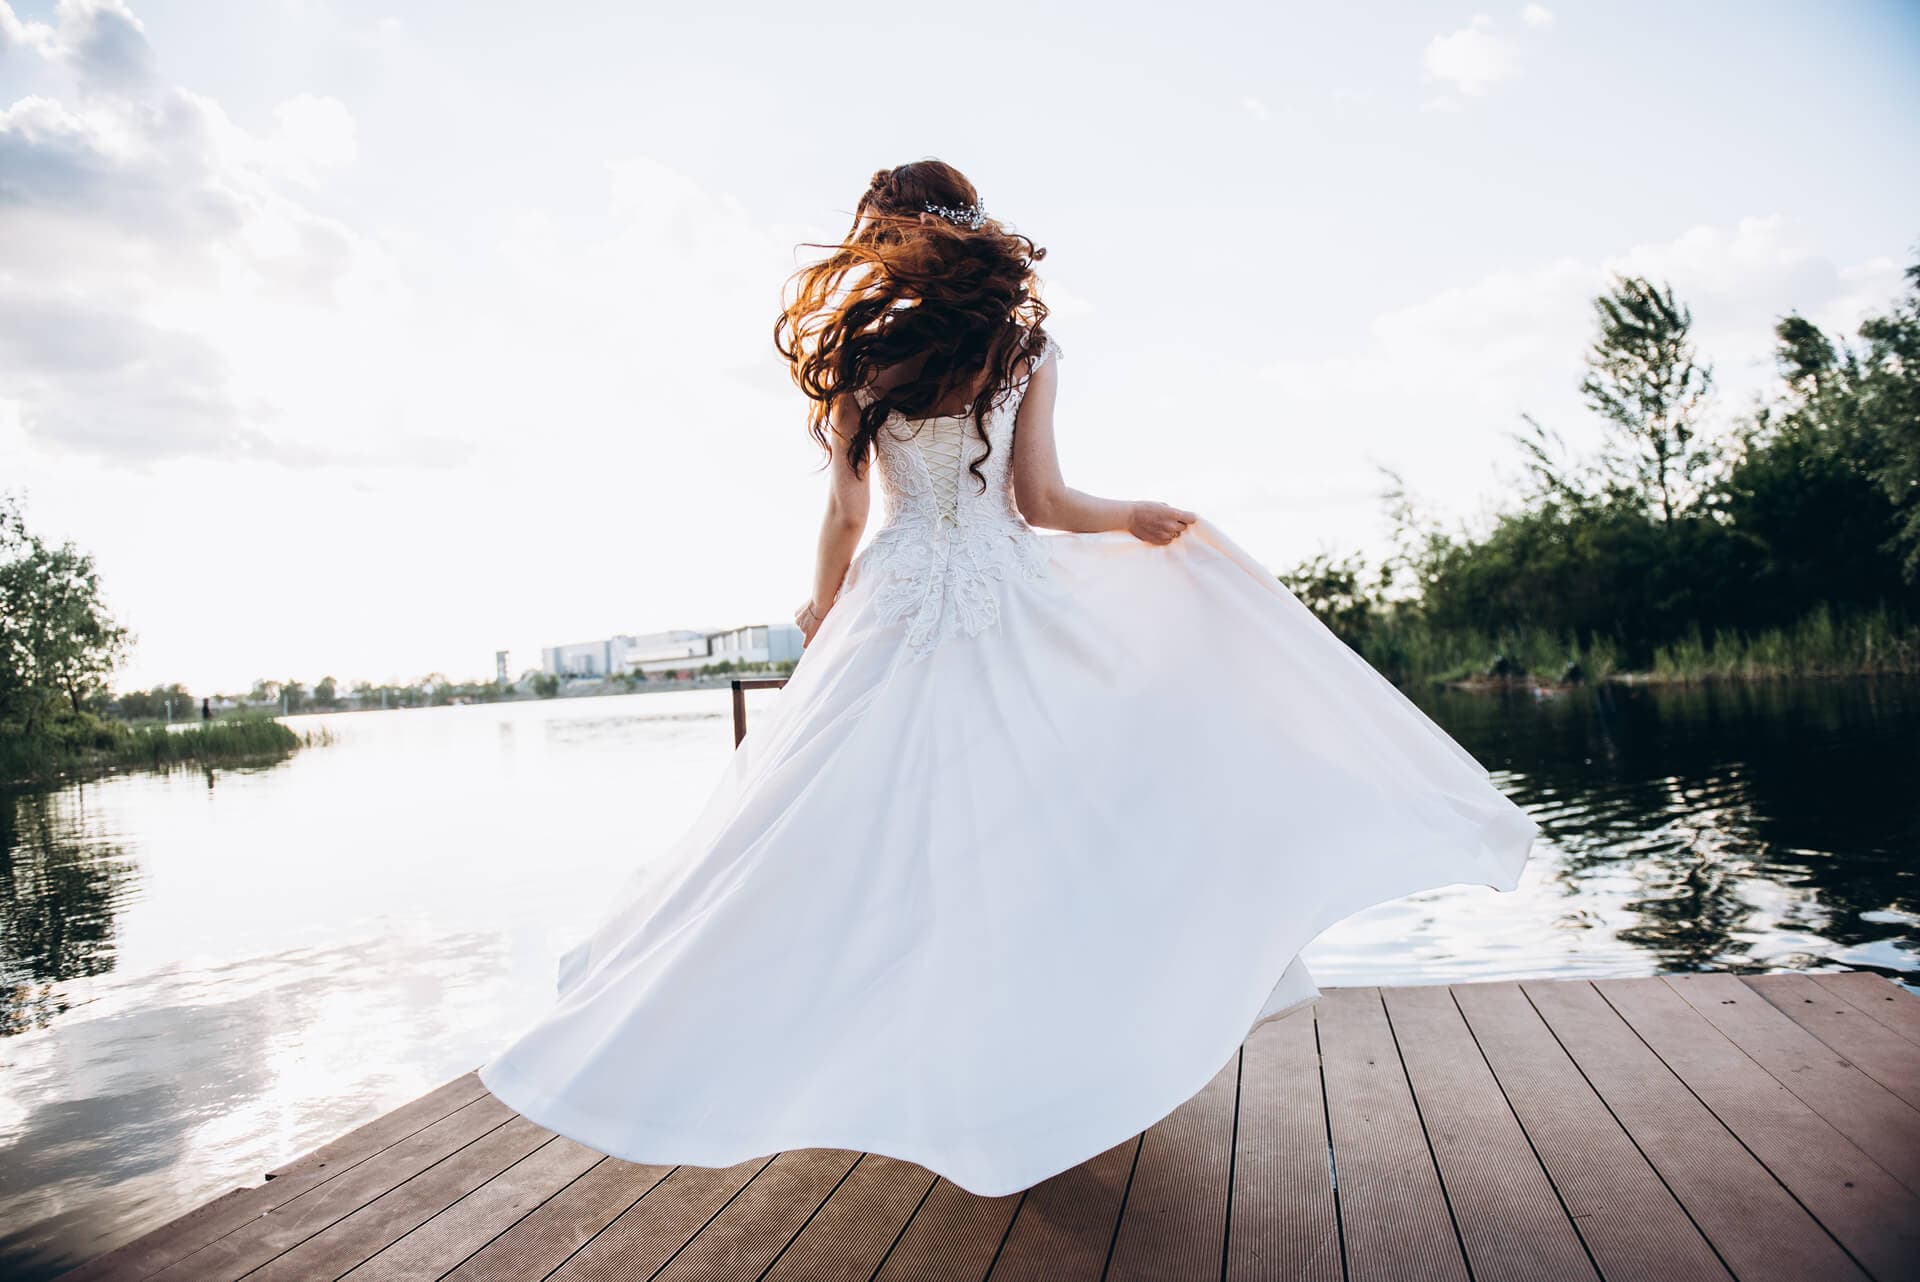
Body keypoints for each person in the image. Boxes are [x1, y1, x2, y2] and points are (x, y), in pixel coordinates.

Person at [478, 159, 1538, 1197]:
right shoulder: (1026, 350)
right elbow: (1039, 501)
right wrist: (1128, 516)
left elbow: (849, 516)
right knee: (1047, 826)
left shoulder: (865, 354)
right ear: (967, 230)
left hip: (892, 607)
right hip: (1002, 597)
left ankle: (888, 1059)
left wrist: (821, 604)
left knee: (842, 841)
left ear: (887, 239)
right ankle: (1036, 1068)